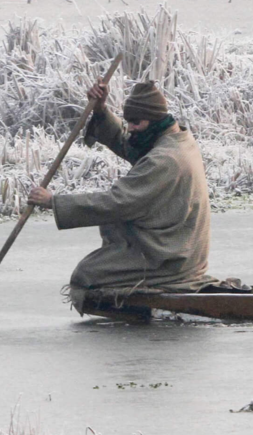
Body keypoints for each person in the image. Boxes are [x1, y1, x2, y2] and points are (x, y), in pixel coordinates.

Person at [27, 79, 214, 312]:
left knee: (87, 274)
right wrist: (100, 109)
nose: (131, 128)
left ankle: (146, 303)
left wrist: (53, 202)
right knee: (95, 269)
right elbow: (130, 144)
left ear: (153, 119)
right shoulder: (175, 139)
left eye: (136, 122)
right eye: (128, 121)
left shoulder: (164, 160)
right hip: (178, 246)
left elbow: (116, 202)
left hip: (170, 257)